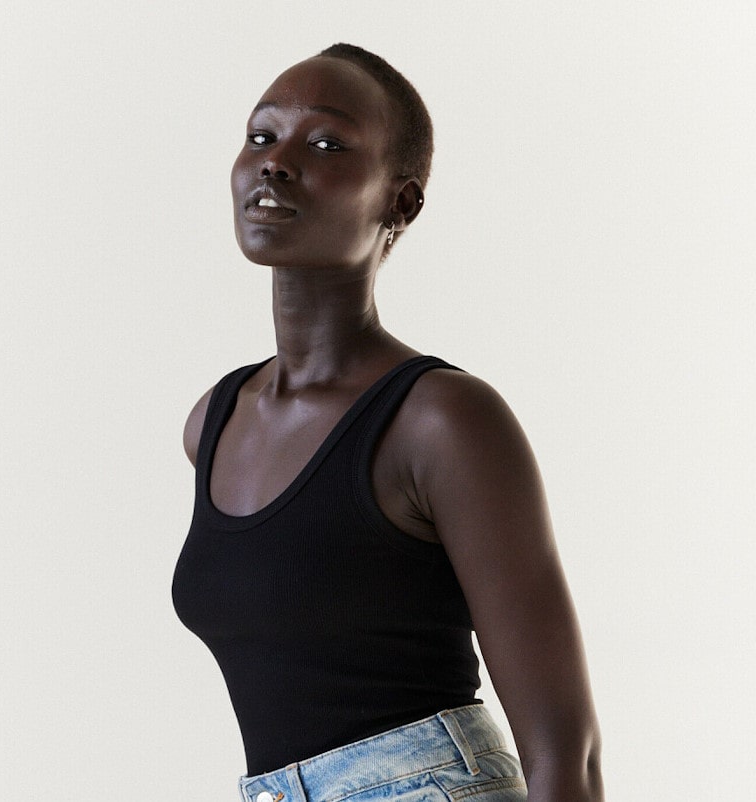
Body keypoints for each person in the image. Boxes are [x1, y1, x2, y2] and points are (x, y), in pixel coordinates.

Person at [172, 43, 603, 802]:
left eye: (326, 144)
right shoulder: (215, 421)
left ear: (399, 204)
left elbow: (568, 752)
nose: (275, 162)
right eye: (261, 136)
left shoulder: (441, 420)